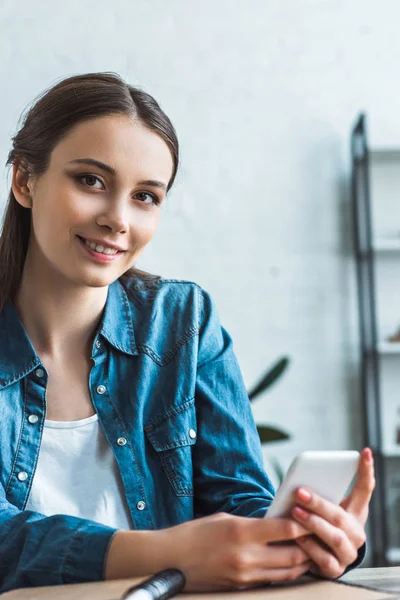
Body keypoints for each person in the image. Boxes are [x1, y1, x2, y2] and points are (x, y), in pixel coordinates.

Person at [0, 72, 374, 594]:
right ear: (25, 181)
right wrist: (169, 553)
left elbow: (239, 499)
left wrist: (307, 536)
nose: (117, 218)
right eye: (90, 180)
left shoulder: (183, 321)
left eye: (146, 196)